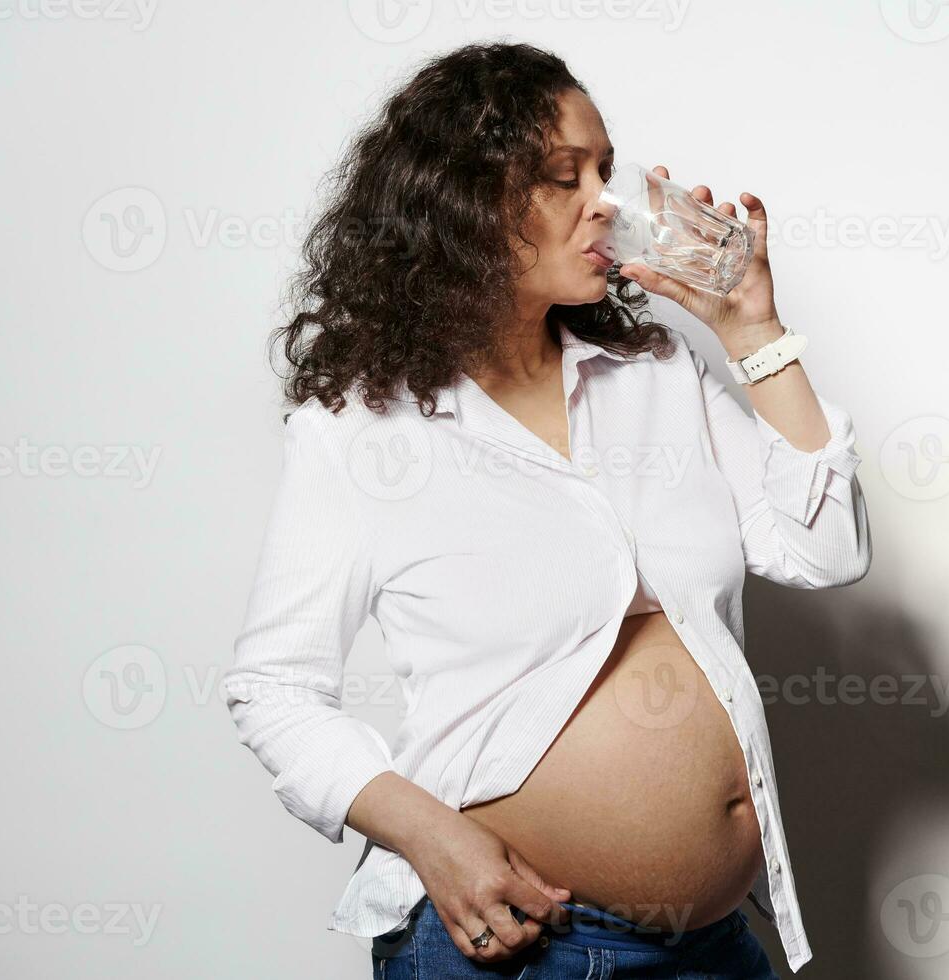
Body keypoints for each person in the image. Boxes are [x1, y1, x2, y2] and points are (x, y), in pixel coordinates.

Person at [224, 41, 871, 978]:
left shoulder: (655, 375)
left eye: (604, 170)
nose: (603, 201)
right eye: (562, 177)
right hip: (517, 949)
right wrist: (430, 839)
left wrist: (753, 333)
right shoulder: (364, 433)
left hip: (714, 949)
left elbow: (826, 550)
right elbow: (274, 688)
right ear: (459, 203)